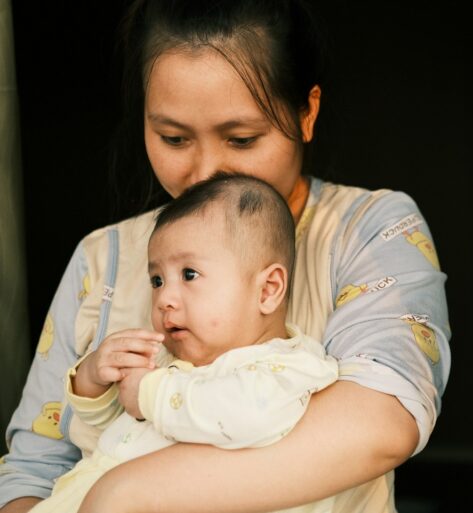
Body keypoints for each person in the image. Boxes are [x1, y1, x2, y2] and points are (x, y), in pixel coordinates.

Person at [0, 0, 451, 512]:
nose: (205, 170)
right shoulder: (103, 258)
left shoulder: (367, 230)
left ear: (306, 113)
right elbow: (33, 470)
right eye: (173, 138)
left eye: (241, 139)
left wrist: (128, 494)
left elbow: (383, 421)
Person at [33, 174, 353, 513]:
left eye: (189, 274)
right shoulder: (167, 357)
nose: (164, 298)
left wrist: (148, 392)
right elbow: (114, 419)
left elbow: (248, 416)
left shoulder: (291, 367)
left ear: (268, 289)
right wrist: (94, 378)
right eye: (157, 280)